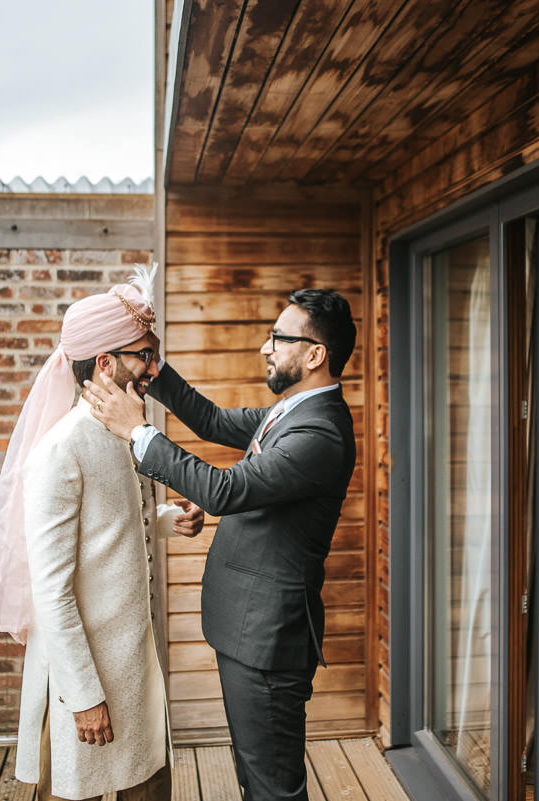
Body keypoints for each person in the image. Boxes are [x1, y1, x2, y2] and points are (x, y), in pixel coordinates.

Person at [83, 288, 357, 801]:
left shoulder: (321, 432)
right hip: (249, 633)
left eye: (278, 337)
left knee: (273, 787)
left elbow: (224, 492)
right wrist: (152, 366)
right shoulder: (290, 412)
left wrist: (137, 431)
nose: (265, 347)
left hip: (269, 643)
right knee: (256, 778)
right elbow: (209, 420)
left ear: (315, 354)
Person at [0, 267, 203, 801]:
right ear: (105, 363)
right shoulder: (61, 451)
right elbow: (50, 589)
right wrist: (83, 697)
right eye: (144, 355)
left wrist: (170, 521)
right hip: (85, 679)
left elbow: (120, 525)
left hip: (136, 668)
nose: (155, 367)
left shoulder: (133, 430)